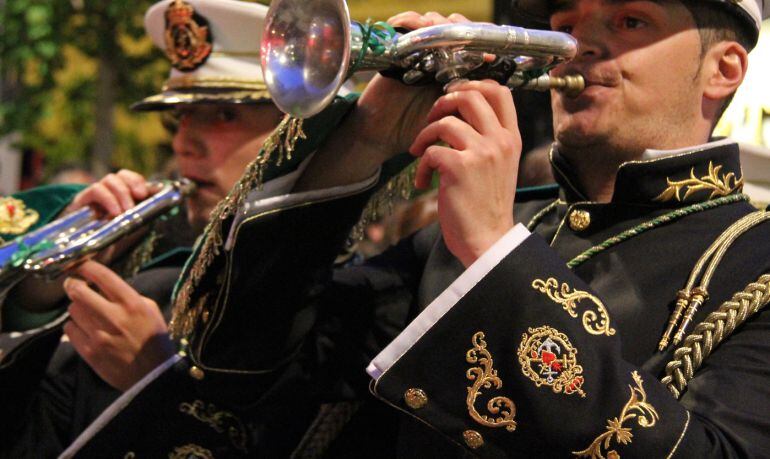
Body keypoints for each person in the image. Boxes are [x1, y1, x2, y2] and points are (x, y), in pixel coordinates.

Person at [175, 0, 770, 456]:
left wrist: (496, 253)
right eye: (566, 19)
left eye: (631, 21)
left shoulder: (756, 260)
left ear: (722, 70)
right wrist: (364, 141)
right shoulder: (483, 229)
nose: (577, 44)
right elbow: (242, 366)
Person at [0, 0, 337, 456]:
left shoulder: (344, 298)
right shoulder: (151, 287)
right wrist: (38, 296)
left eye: (223, 115)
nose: (183, 142)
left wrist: (156, 378)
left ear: (300, 132)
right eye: (180, 116)